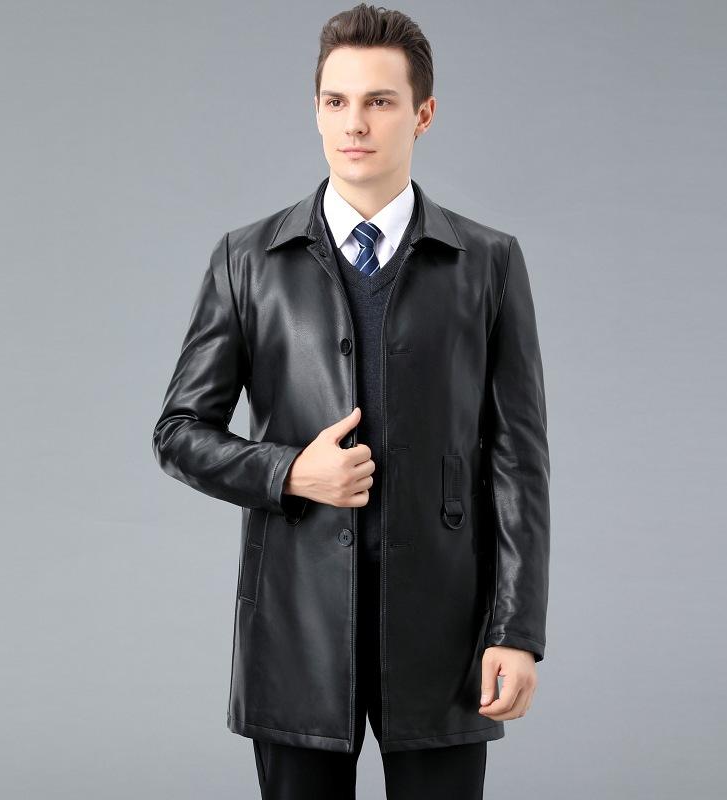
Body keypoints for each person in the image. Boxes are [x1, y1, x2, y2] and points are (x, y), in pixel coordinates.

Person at [152, 4, 550, 798]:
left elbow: (519, 464)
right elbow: (179, 431)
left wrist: (516, 631)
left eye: (379, 101)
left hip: (444, 628)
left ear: (422, 114)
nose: (354, 123)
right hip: (294, 625)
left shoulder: (488, 264)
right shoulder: (247, 261)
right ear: (316, 110)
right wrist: (290, 472)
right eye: (336, 101)